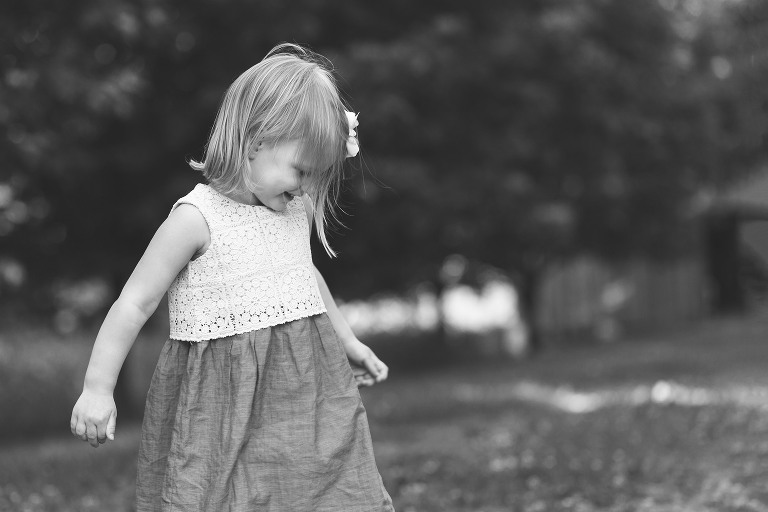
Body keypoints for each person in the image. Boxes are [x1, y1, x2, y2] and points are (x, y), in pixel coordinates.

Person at [70, 43, 395, 511]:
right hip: (219, 400)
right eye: (301, 170)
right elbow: (134, 303)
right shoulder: (195, 219)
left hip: (305, 391)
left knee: (324, 486)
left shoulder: (293, 211)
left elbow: (306, 281)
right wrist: (98, 388)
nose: (305, 188)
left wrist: (348, 341)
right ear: (254, 140)